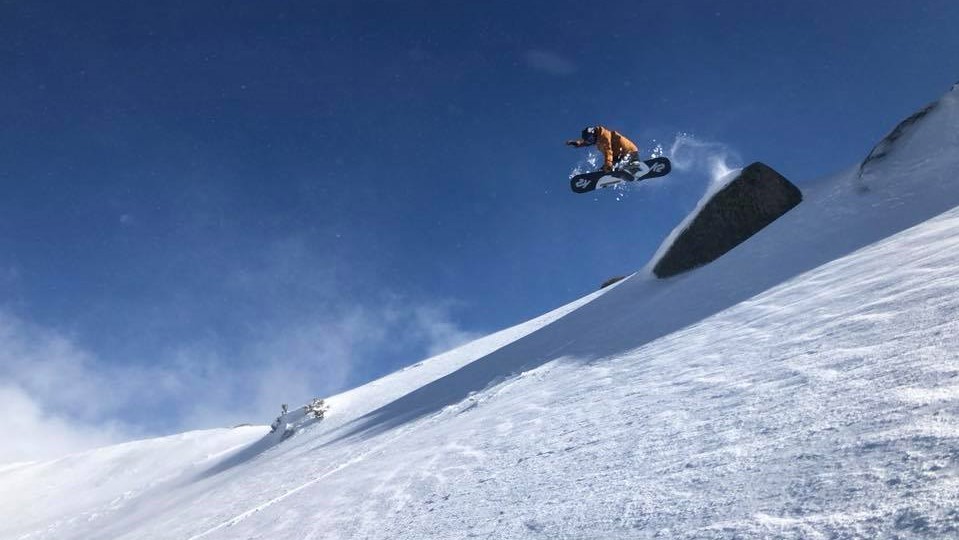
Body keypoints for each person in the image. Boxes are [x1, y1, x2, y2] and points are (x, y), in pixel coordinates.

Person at [565, 125, 641, 173]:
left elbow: (608, 150)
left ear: (594, 134)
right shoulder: (597, 139)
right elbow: (586, 143)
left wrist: (608, 164)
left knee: (608, 166)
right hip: (618, 155)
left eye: (590, 139)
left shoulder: (604, 136)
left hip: (629, 152)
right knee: (605, 169)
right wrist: (577, 143)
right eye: (589, 140)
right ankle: (614, 170)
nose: (590, 141)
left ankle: (634, 164)